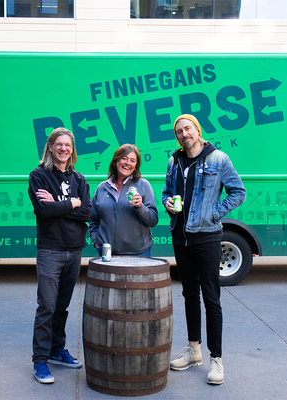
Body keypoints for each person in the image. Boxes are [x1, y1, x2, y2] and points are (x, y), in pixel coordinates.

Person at [162, 114, 246, 385]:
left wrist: (213, 212)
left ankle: (216, 359)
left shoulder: (219, 159)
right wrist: (167, 203)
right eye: (179, 131)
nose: (183, 134)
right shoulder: (174, 161)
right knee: (189, 294)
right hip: (181, 236)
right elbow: (167, 191)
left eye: (187, 128)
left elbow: (238, 192)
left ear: (197, 130)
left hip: (207, 236)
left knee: (211, 297)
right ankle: (193, 349)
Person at [28, 127, 92, 384]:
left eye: (68, 145)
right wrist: (71, 203)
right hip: (50, 251)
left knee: (62, 307)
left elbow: (87, 212)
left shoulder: (80, 179)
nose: (63, 148)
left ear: (72, 149)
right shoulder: (38, 176)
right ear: (51, 146)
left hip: (74, 251)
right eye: (59, 144)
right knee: (47, 307)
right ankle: (40, 361)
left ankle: (56, 350)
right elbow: (43, 211)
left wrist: (59, 204)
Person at [89, 144, 158, 257]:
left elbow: (153, 220)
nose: (127, 163)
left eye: (132, 160)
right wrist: (97, 241)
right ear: (116, 161)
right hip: (107, 254)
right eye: (124, 158)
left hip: (139, 254)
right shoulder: (102, 188)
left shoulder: (143, 185)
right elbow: (93, 220)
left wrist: (140, 206)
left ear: (136, 165)